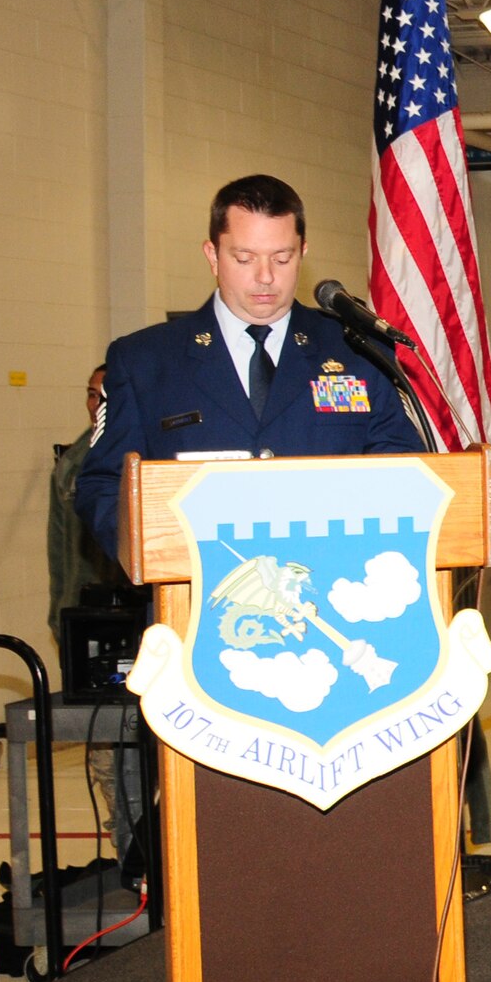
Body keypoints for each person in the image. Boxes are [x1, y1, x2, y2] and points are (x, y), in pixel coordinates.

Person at [78, 175, 422, 554]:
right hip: (198, 592)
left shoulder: (357, 349)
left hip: (336, 583)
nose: (265, 277)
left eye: (281, 258)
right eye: (244, 258)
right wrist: (158, 551)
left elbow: (404, 470)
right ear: (212, 255)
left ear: (303, 252)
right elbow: (104, 486)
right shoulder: (145, 360)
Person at [48, 365, 128, 640]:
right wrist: (58, 610)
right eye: (92, 396)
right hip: (80, 607)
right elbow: (58, 545)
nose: (96, 406)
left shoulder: (140, 455)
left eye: (105, 398)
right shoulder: (71, 463)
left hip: (127, 609)